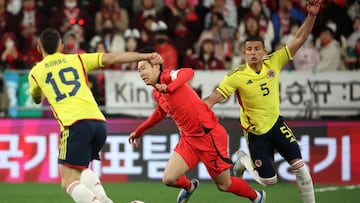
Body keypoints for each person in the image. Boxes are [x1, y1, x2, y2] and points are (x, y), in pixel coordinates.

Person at [203, 1, 322, 203]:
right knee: (269, 181)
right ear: (244, 52)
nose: (252, 52)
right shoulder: (236, 76)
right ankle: (241, 159)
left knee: (300, 166)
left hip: (276, 123)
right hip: (256, 131)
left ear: (264, 50)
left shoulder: (273, 61)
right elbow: (214, 97)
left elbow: (300, 38)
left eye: (257, 48)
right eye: (248, 49)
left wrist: (311, 15)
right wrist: (198, 109)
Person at [28, 28, 163, 203]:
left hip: (74, 125)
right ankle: (106, 200)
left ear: (39, 48)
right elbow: (113, 58)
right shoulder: (78, 59)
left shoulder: (35, 72)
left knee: (68, 180)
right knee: (82, 170)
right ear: (61, 46)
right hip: (99, 123)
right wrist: (145, 56)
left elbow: (37, 99)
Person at [128, 47, 266, 203]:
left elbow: (189, 72)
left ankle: (257, 196)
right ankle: (189, 187)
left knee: (224, 185)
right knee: (169, 179)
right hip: (189, 139)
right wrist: (139, 131)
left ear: (156, 67)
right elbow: (159, 113)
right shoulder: (156, 92)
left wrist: (170, 87)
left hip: (209, 135)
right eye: (139, 70)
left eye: (144, 68)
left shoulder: (168, 77)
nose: (141, 74)